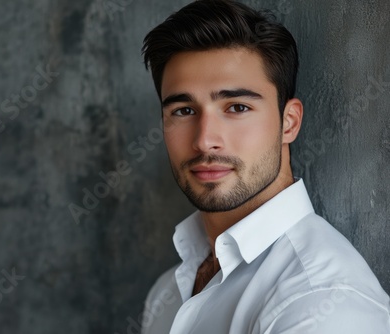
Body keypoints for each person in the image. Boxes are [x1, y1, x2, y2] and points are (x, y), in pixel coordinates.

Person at [139, 0, 390, 333]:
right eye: (183, 111)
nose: (204, 141)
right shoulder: (169, 290)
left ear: (289, 122)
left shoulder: (321, 304)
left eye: (237, 107)